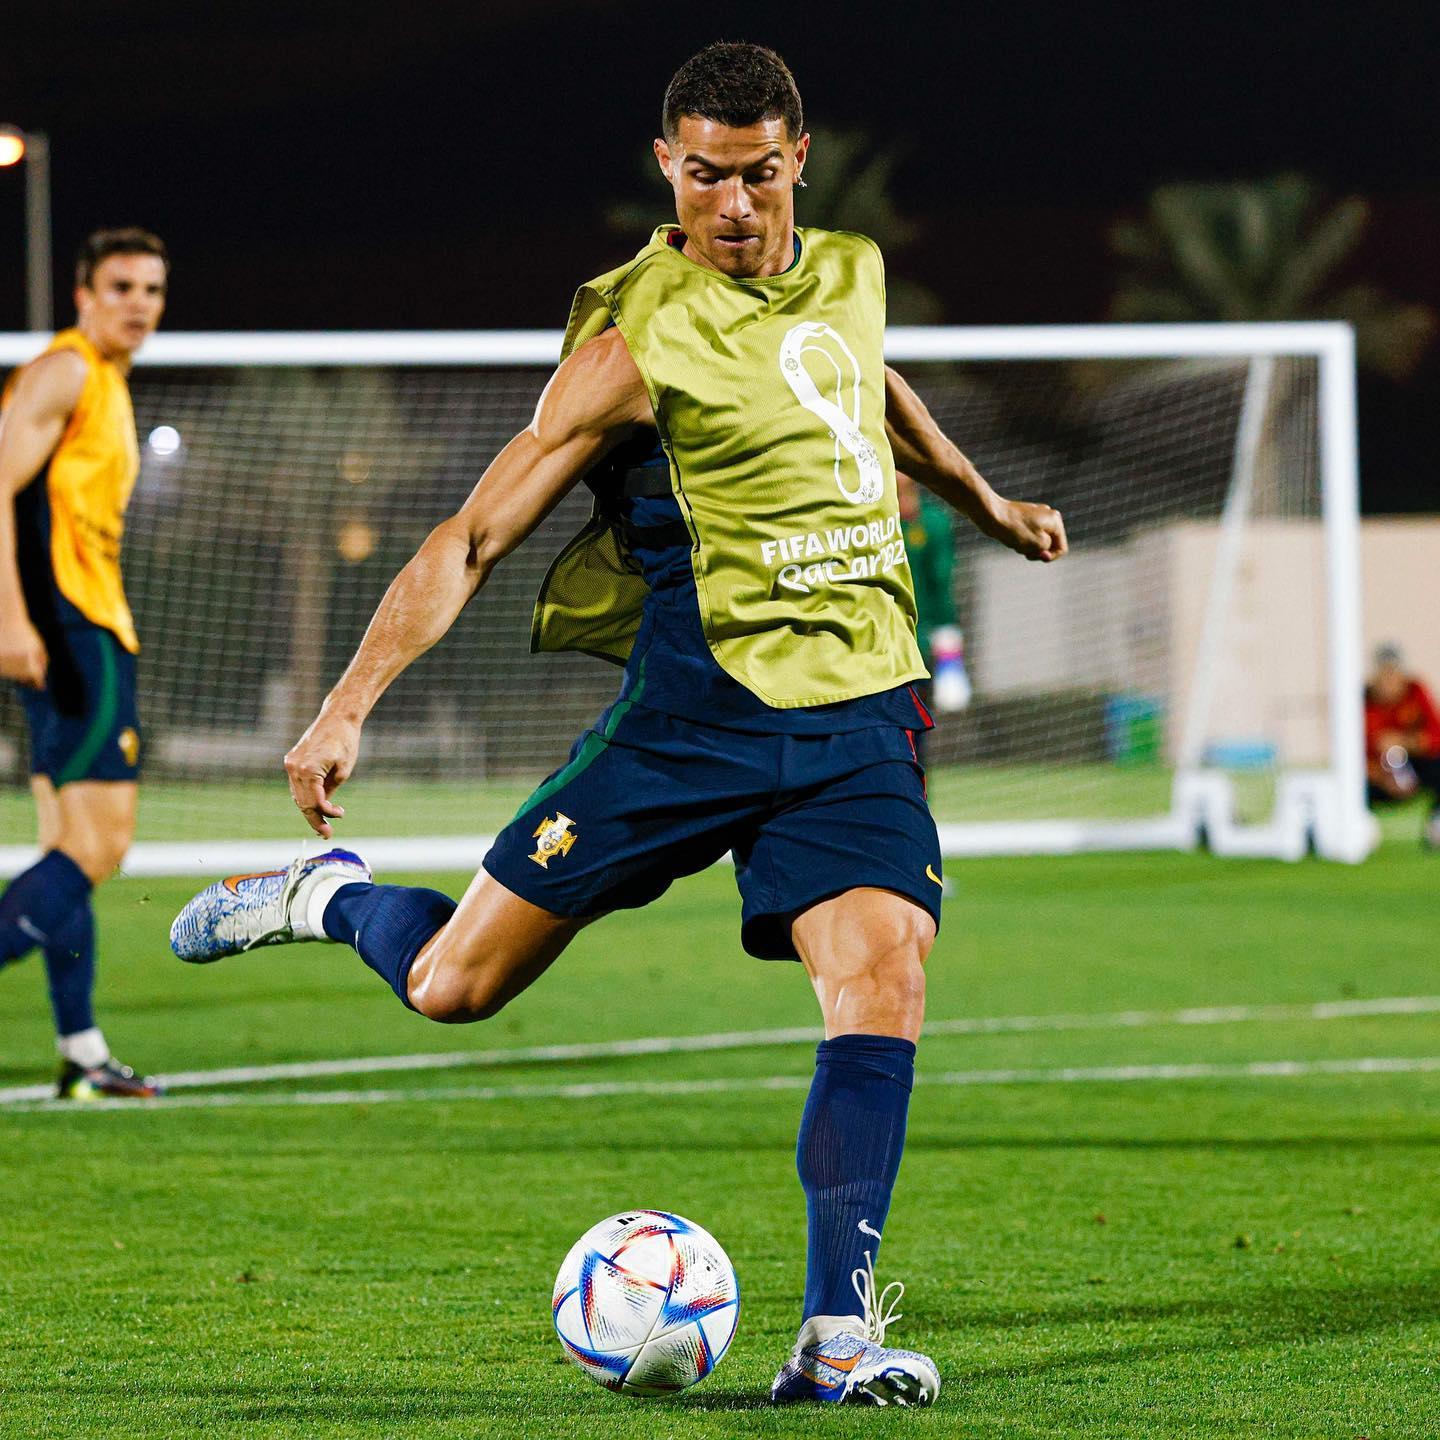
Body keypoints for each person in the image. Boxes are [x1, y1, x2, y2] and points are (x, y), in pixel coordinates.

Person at [171, 43, 1065, 1405]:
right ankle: (334, 900)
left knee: (883, 978)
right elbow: (471, 538)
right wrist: (347, 705)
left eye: (759, 175)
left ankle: (835, 1336)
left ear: (798, 161)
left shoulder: (850, 273)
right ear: (669, 167)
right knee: (453, 988)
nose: (733, 205)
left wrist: (985, 503)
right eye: (705, 175)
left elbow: (873, 393)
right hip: (693, 721)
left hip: (859, 715)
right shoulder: (633, 343)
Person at [0, 227, 168, 1099]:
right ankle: (84, 1052)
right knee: (101, 847)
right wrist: (12, 619)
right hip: (72, 632)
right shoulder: (64, 372)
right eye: (121, 285)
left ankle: (82, 1051)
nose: (138, 303)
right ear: (83, 293)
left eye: (152, 289)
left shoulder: (106, 384)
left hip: (76, 626)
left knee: (66, 847)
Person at [1365, 643, 1440, 850]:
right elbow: (1352, 754)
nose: (1389, 680)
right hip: (1377, 774)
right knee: (1353, 785)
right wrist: (1380, 776)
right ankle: (1358, 826)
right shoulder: (1362, 701)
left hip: (1413, 769)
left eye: (1394, 673)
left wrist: (1404, 741)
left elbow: (1436, 737)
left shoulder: (1415, 692)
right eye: (1384, 674)